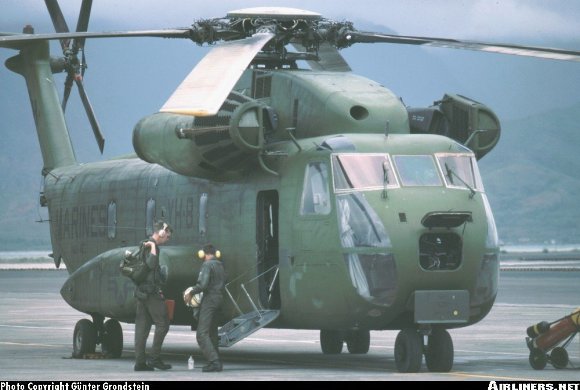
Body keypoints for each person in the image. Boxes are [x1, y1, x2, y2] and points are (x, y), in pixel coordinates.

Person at [133, 220, 173, 371]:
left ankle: (140, 362)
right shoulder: (151, 246)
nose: (167, 239)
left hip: (142, 292)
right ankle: (154, 359)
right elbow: (151, 264)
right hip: (150, 293)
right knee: (163, 324)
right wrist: (154, 247)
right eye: (167, 236)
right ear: (161, 233)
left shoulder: (144, 244)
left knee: (142, 328)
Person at [186, 243, 226, 372]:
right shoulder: (220, 265)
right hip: (219, 299)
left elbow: (202, 285)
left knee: (202, 333)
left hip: (209, 299)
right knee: (212, 332)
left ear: (204, 254)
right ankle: (216, 360)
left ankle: (214, 361)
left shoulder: (207, 265)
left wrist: (191, 292)